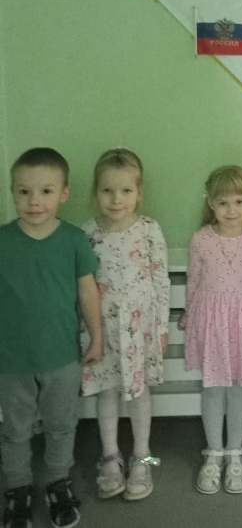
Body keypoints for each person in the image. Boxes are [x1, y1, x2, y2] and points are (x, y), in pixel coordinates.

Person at [0, 148, 102, 528]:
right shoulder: (2, 241)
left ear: (63, 193)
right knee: (15, 430)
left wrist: (97, 338)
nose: (34, 201)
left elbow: (88, 292)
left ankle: (58, 482)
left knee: (61, 426)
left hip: (62, 357)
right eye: (24, 191)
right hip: (11, 361)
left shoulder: (74, 240)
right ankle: (18, 488)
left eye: (45, 191)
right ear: (12, 191)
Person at [81, 148, 170, 502]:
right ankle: (109, 457)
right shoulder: (87, 233)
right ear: (96, 192)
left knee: (139, 392)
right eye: (107, 191)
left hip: (139, 330)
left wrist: (161, 328)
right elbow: (82, 285)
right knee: (107, 392)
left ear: (139, 193)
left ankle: (142, 457)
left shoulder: (149, 230)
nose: (116, 199)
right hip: (101, 330)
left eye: (126, 191)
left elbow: (160, 281)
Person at [180, 165, 242, 495]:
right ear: (211, 203)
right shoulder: (201, 239)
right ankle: (214, 452)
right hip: (212, 324)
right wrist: (190, 317)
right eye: (223, 203)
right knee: (213, 388)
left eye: (238, 202)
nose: (231, 210)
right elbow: (193, 281)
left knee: (238, 387)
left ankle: (235, 452)